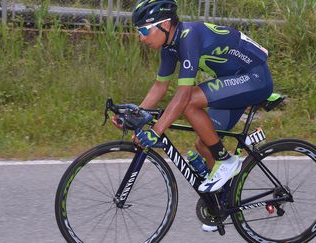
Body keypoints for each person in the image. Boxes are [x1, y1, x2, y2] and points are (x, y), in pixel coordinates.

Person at [113, 0, 274, 231]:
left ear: (165, 24)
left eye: (145, 30)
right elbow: (159, 87)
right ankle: (222, 204)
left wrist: (156, 131)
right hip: (234, 82)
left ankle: (226, 161)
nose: (142, 37)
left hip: (254, 78)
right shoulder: (169, 46)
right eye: (139, 31)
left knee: (189, 102)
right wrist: (134, 114)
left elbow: (183, 95)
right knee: (203, 144)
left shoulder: (189, 37)